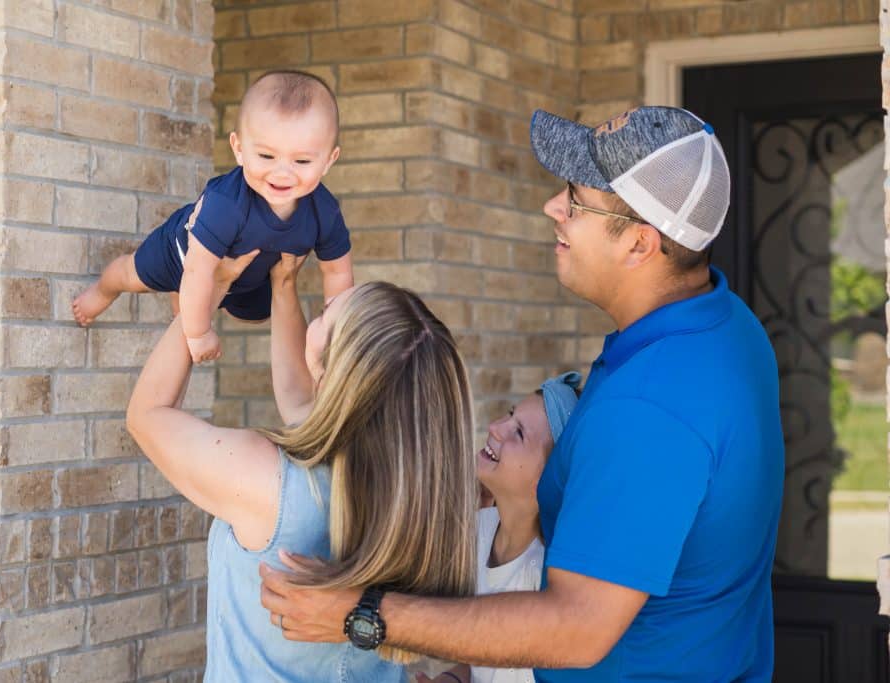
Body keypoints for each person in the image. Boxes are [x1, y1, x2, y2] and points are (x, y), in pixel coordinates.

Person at [260, 106, 785, 682]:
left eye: (574, 198)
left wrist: (363, 614)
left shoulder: (652, 404)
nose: (553, 208)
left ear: (639, 244)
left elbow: (578, 627)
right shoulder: (726, 326)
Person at [126, 251, 478, 681]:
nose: (328, 302)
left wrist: (209, 285)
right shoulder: (418, 494)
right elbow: (300, 401)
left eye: (327, 313)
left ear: (333, 372)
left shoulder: (266, 478)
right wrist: (284, 285)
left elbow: (146, 416)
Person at [73, 70, 354, 364]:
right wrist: (198, 333)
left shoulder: (325, 212)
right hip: (183, 256)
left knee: (259, 314)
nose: (282, 172)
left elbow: (337, 273)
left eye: (302, 161)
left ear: (328, 161)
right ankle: (104, 290)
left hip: (247, 275)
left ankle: (187, 300)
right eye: (267, 156)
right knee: (132, 275)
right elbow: (197, 271)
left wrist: (337, 333)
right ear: (239, 149)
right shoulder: (227, 204)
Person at [419, 373, 581, 683]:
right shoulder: (478, 530)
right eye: (510, 415)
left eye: (518, 433)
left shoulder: (545, 580)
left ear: (548, 481)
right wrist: (453, 679)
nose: (495, 427)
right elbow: (479, 662)